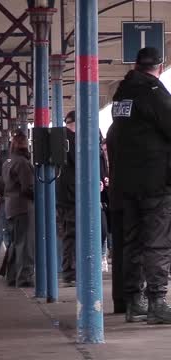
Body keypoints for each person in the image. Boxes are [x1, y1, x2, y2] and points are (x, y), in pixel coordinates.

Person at [110, 47, 171, 324]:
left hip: (126, 183)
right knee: (156, 242)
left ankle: (134, 301)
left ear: (135, 65)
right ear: (160, 66)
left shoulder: (121, 95)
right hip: (154, 181)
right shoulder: (154, 93)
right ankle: (158, 301)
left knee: (132, 242)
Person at [0, 132, 35, 287]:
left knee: (15, 242)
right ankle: (24, 277)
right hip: (23, 207)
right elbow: (28, 187)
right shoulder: (23, 163)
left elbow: (0, 185)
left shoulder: (8, 162)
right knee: (25, 244)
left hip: (10, 207)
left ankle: (12, 275)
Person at [56, 111, 77, 287]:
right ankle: (70, 272)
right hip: (71, 195)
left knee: (66, 234)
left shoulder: (59, 139)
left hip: (61, 195)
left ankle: (68, 270)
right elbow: (80, 163)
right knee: (72, 234)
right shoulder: (72, 140)